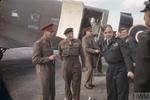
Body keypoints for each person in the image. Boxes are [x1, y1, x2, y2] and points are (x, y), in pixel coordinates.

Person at [101, 25, 133, 100]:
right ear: (103, 34)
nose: (108, 34)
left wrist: (129, 70)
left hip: (121, 69)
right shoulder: (104, 43)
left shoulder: (120, 41)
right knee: (111, 91)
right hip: (110, 70)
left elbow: (126, 56)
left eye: (109, 32)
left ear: (113, 32)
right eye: (106, 33)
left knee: (122, 93)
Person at [32, 23, 56, 100]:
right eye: (51, 32)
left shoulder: (49, 42)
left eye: (52, 32)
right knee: (45, 93)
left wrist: (53, 58)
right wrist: (48, 58)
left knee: (52, 91)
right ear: (45, 32)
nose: (52, 34)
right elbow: (35, 60)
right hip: (43, 71)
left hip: (50, 70)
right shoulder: (38, 44)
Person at [58, 28, 82, 100]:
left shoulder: (78, 41)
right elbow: (60, 55)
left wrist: (84, 65)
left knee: (76, 84)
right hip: (66, 66)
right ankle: (68, 97)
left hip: (76, 65)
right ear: (66, 35)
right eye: (69, 34)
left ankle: (76, 98)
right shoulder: (61, 43)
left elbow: (82, 54)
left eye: (72, 33)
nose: (71, 35)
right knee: (67, 84)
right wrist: (64, 63)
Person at [134, 0, 150, 93]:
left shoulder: (145, 37)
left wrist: (138, 94)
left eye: (145, 16)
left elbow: (142, 71)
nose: (144, 19)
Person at [81, 19, 100, 89]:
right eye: (90, 31)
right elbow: (86, 49)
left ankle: (90, 83)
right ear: (86, 31)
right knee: (90, 69)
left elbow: (94, 44)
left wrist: (98, 49)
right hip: (87, 56)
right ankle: (86, 83)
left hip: (92, 56)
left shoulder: (91, 37)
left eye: (91, 31)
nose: (91, 32)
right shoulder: (84, 39)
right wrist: (95, 51)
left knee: (91, 70)